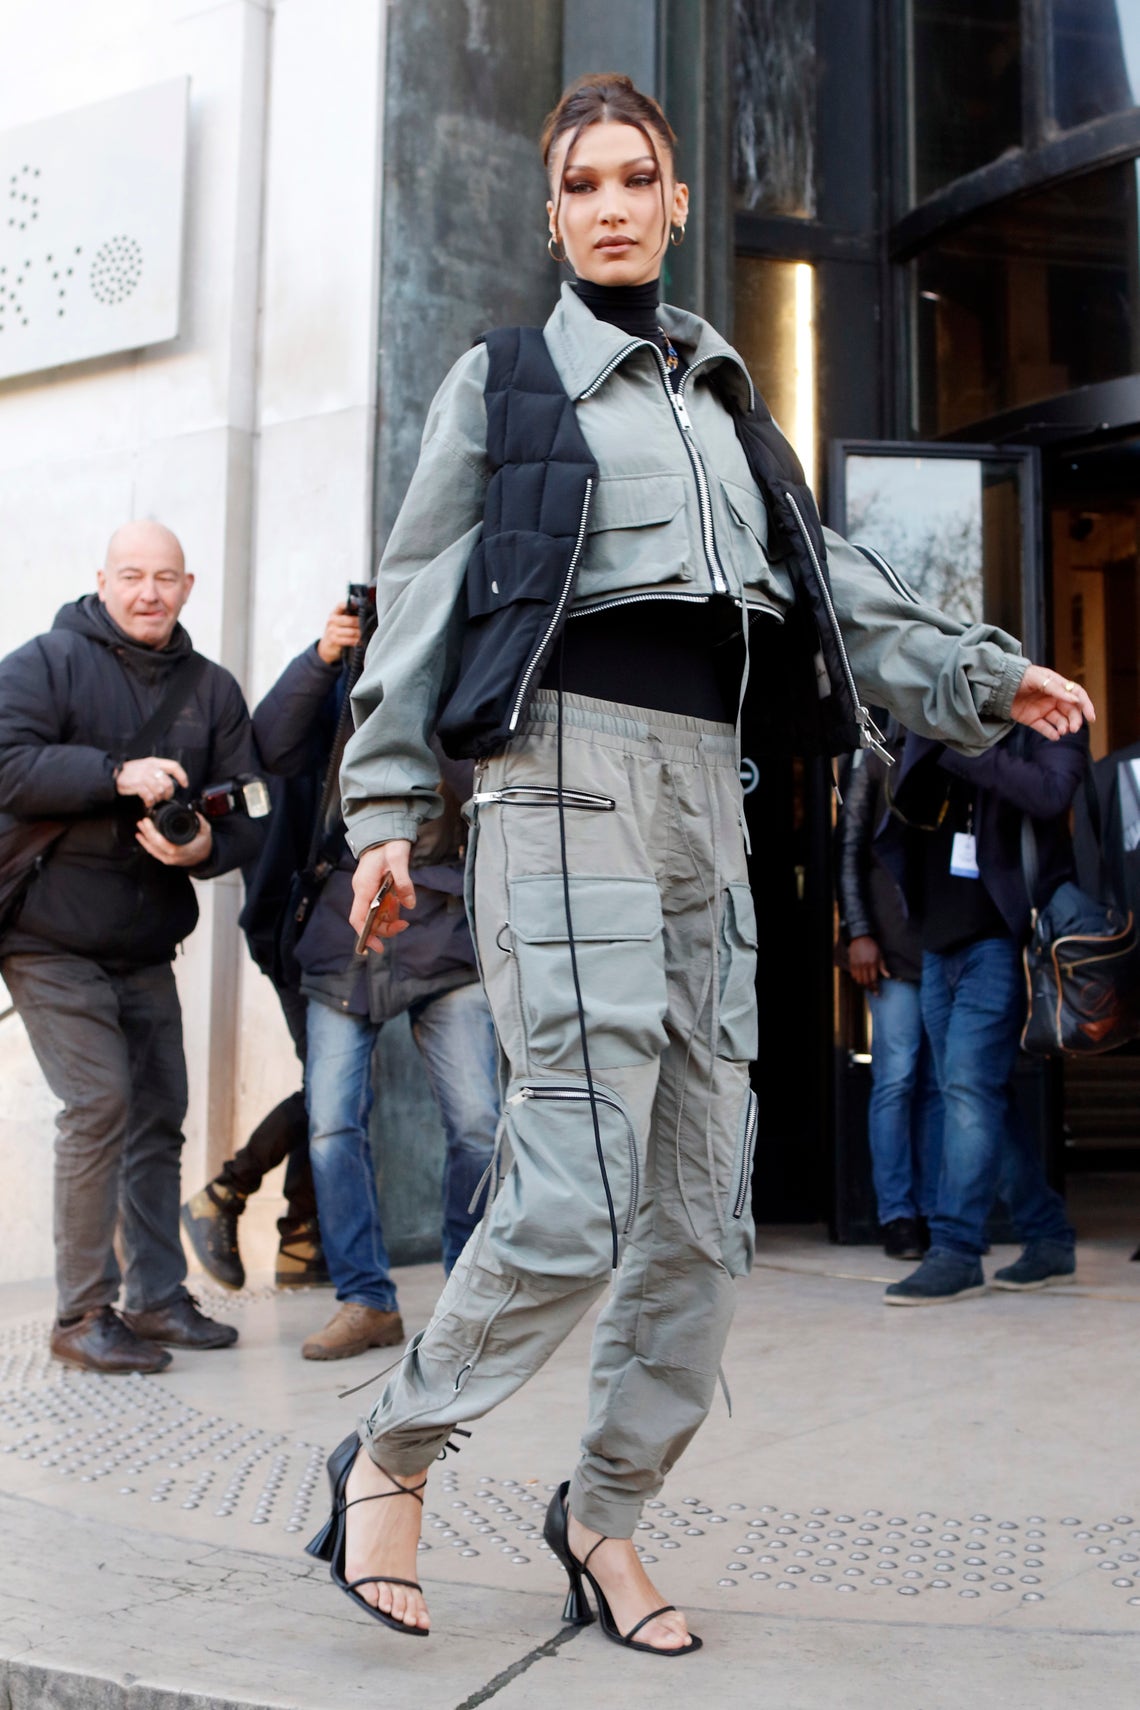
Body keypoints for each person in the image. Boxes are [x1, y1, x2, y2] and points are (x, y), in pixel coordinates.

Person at [306, 73, 1094, 1651]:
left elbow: (839, 587)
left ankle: (605, 1514)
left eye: (636, 177)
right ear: (554, 215)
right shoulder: (509, 383)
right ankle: (390, 1454)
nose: (609, 202)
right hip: (562, 788)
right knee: (581, 1186)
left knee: (696, 1207)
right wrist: (386, 812)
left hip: (707, 812)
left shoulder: (735, 405)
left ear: (676, 203)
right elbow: (415, 598)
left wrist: (981, 671)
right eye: (581, 181)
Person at [0, 520, 263, 1373]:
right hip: (48, 937)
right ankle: (82, 1314)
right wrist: (117, 774)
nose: (148, 592)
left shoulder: (213, 690)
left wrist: (204, 851)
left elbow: (250, 803)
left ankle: (154, 1300)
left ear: (189, 587)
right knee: (100, 1104)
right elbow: (7, 762)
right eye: (131, 576)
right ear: (102, 582)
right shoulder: (47, 662)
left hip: (146, 942)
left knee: (159, 1114)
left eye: (165, 577)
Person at [249, 604, 499, 1361]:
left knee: (479, 1126)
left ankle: (462, 1297)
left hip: (446, 924)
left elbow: (477, 781)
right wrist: (322, 659)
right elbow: (272, 744)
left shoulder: (466, 673)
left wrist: (432, 689)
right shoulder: (342, 683)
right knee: (330, 1127)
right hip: (344, 931)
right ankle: (365, 1300)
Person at [877, 725, 1085, 1305]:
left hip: (1001, 944)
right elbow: (902, 795)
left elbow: (1051, 794)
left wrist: (970, 750)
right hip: (937, 946)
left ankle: (956, 1250)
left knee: (967, 1092)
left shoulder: (1049, 724)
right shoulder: (931, 726)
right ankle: (1047, 1236)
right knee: (979, 1096)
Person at [836, 723, 943, 1259]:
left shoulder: (953, 750)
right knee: (897, 1080)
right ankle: (898, 1214)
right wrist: (858, 931)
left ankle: (930, 1211)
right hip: (889, 948)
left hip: (942, 946)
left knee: (933, 1086)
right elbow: (850, 845)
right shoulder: (876, 753)